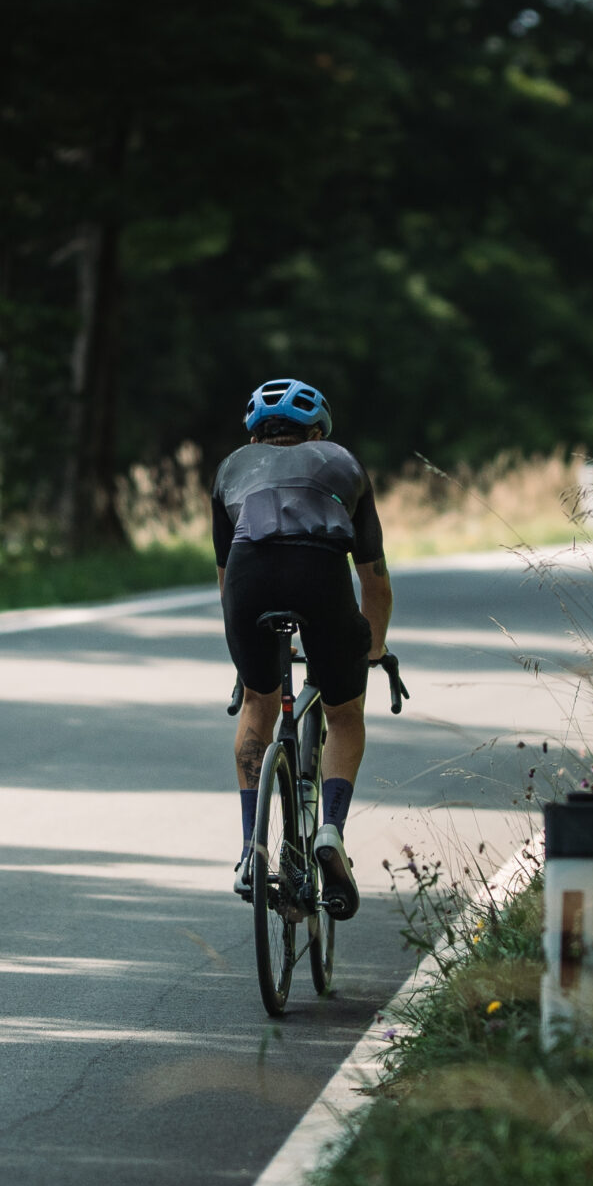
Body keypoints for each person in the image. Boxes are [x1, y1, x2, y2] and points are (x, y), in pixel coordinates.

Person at [212, 376, 391, 920]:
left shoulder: (230, 468)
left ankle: (251, 851)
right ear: (316, 431)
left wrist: (249, 662)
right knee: (344, 715)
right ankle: (330, 829)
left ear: (256, 435)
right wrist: (372, 651)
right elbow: (374, 582)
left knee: (258, 706)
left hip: (249, 582)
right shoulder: (343, 462)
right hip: (321, 577)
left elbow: (225, 581)